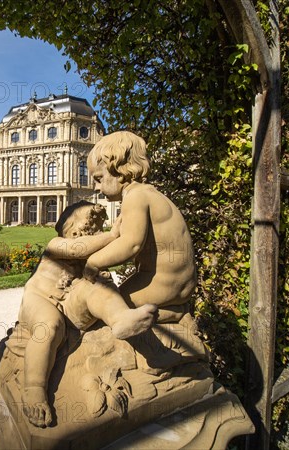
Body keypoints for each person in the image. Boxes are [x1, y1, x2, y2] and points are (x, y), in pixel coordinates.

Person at [18, 201, 157, 428]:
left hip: (69, 305)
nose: (94, 231)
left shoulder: (87, 260)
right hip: (39, 299)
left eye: (97, 228)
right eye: (89, 226)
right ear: (69, 228)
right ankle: (34, 388)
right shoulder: (57, 244)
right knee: (49, 325)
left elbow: (106, 258)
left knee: (97, 289)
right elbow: (78, 248)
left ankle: (121, 318)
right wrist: (112, 235)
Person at [85, 130, 197, 324]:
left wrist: (93, 262)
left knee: (111, 306)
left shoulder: (135, 197)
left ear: (119, 169)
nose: (96, 188)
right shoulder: (148, 194)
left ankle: (172, 315)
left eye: (98, 178)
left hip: (163, 283)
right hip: (180, 283)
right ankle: (173, 311)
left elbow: (131, 244)